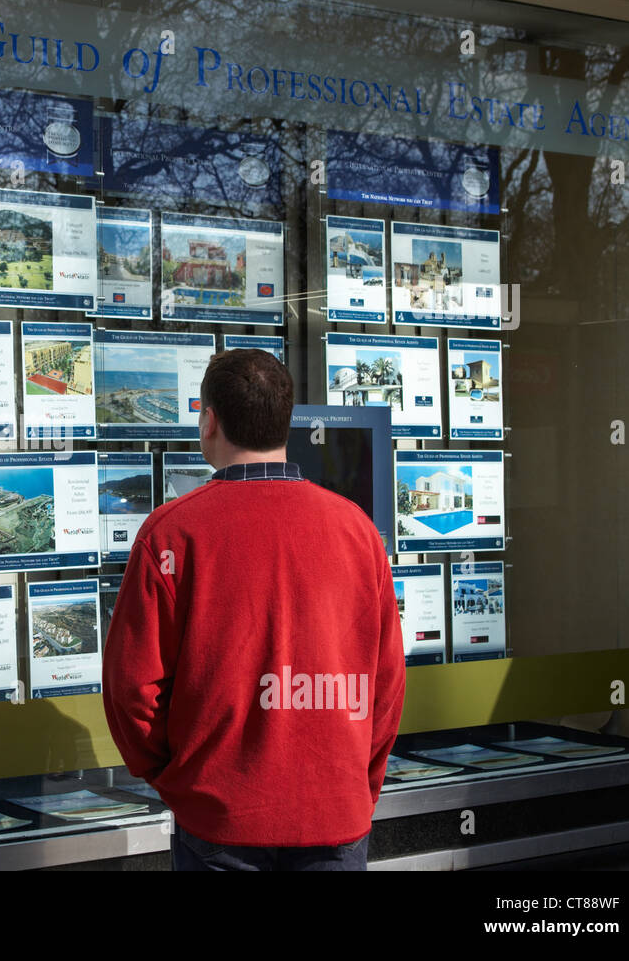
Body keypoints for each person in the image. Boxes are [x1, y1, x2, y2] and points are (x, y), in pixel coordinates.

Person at [102, 349, 405, 871]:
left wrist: (180, 779)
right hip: (334, 815)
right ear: (286, 422)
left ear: (209, 420)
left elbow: (131, 687)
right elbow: (386, 685)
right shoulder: (355, 529)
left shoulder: (173, 532)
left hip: (220, 820)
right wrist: (356, 782)